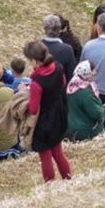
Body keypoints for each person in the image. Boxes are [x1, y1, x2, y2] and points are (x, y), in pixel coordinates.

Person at [24, 41, 71, 182]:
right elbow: (63, 84)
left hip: (44, 123)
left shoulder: (37, 83)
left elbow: (33, 109)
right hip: (59, 115)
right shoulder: (58, 67)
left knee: (45, 156)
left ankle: (50, 184)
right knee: (58, 152)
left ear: (34, 61)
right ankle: (68, 179)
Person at [64, 61, 105, 142]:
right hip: (84, 132)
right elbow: (97, 114)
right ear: (87, 72)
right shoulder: (85, 93)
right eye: (93, 71)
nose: (95, 73)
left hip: (70, 129)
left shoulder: (71, 86)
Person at [42, 15, 77, 80]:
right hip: (61, 88)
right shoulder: (67, 49)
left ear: (44, 28)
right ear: (59, 29)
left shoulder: (38, 46)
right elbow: (72, 74)